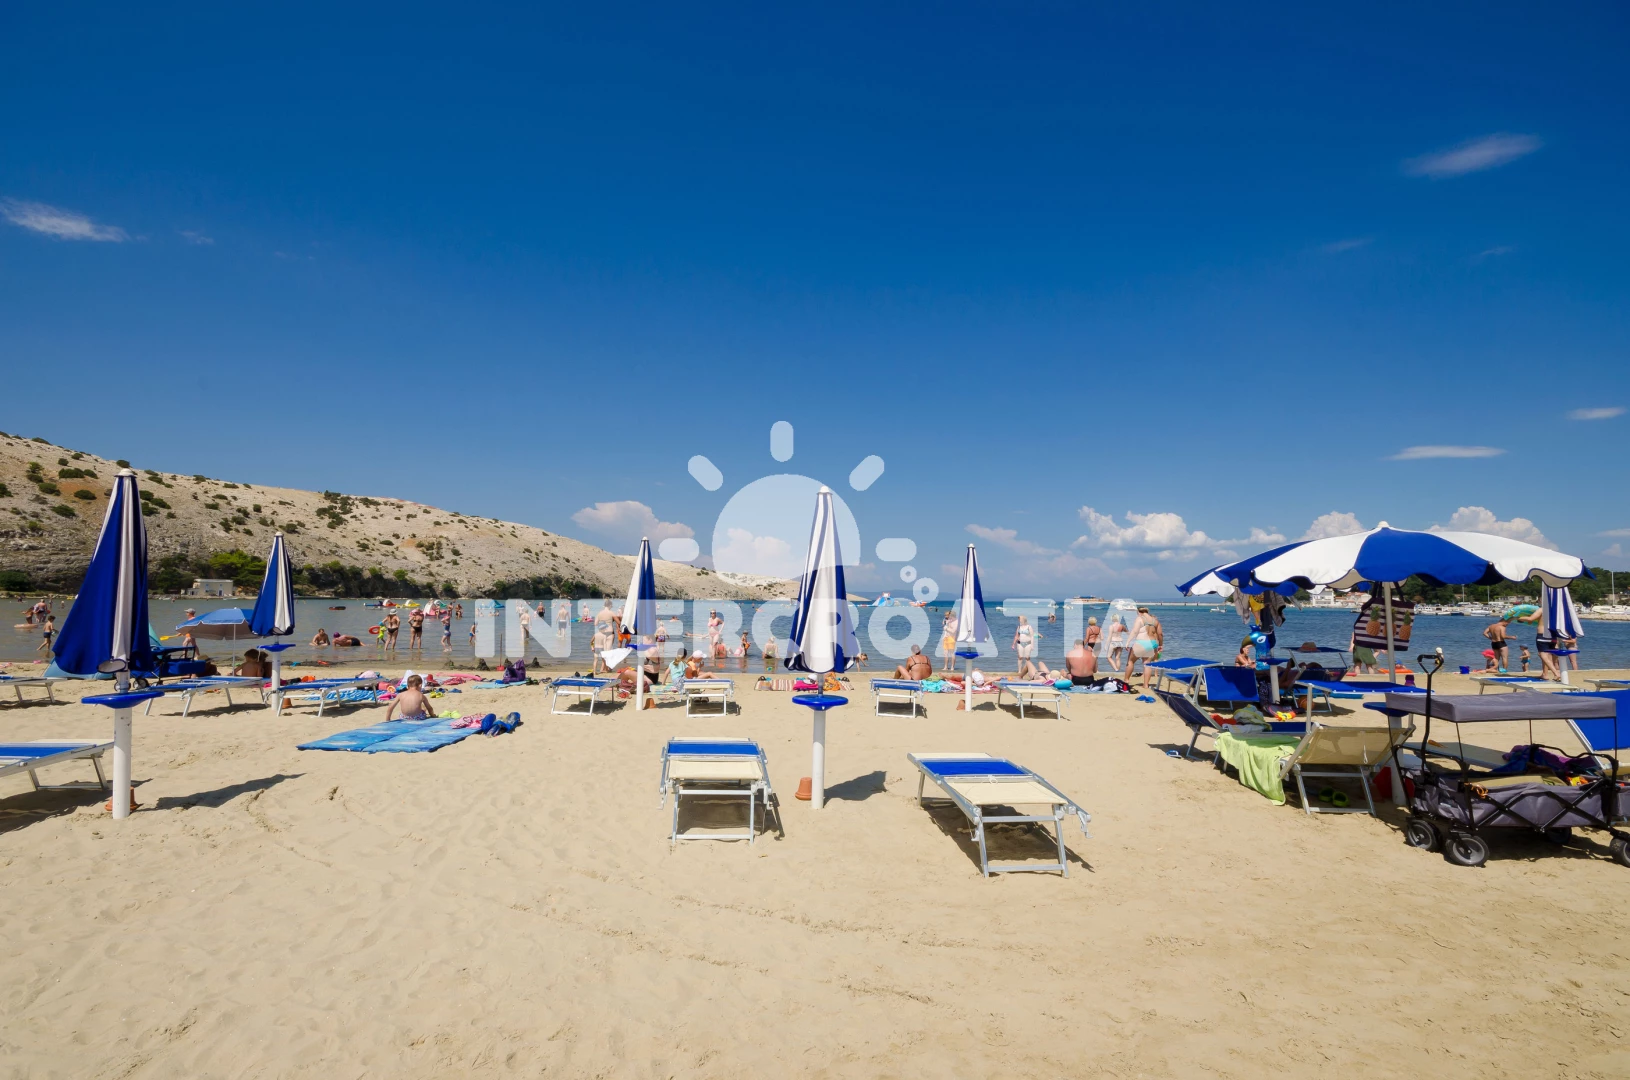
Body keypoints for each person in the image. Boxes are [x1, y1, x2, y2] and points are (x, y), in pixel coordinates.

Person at [1130, 607, 1164, 690]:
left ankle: (1126, 680)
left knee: (1130, 661)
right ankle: (1146, 684)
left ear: (1139, 612)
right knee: (1149, 663)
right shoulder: (1155, 622)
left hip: (1142, 642)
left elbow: (1135, 631)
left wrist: (1129, 641)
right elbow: (1160, 634)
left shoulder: (1140, 620)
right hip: (1153, 643)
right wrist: (1160, 645)